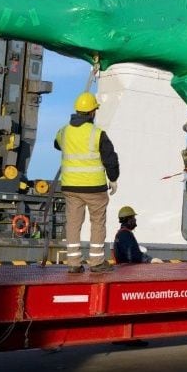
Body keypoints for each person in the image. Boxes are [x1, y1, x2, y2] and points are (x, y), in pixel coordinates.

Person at [55, 92, 119, 274]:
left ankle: (73, 263)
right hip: (94, 188)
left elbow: (56, 144)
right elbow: (110, 159)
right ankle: (97, 261)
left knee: (73, 223)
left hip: (70, 188)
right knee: (97, 222)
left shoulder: (64, 131)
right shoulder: (97, 134)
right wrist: (113, 179)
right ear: (92, 112)